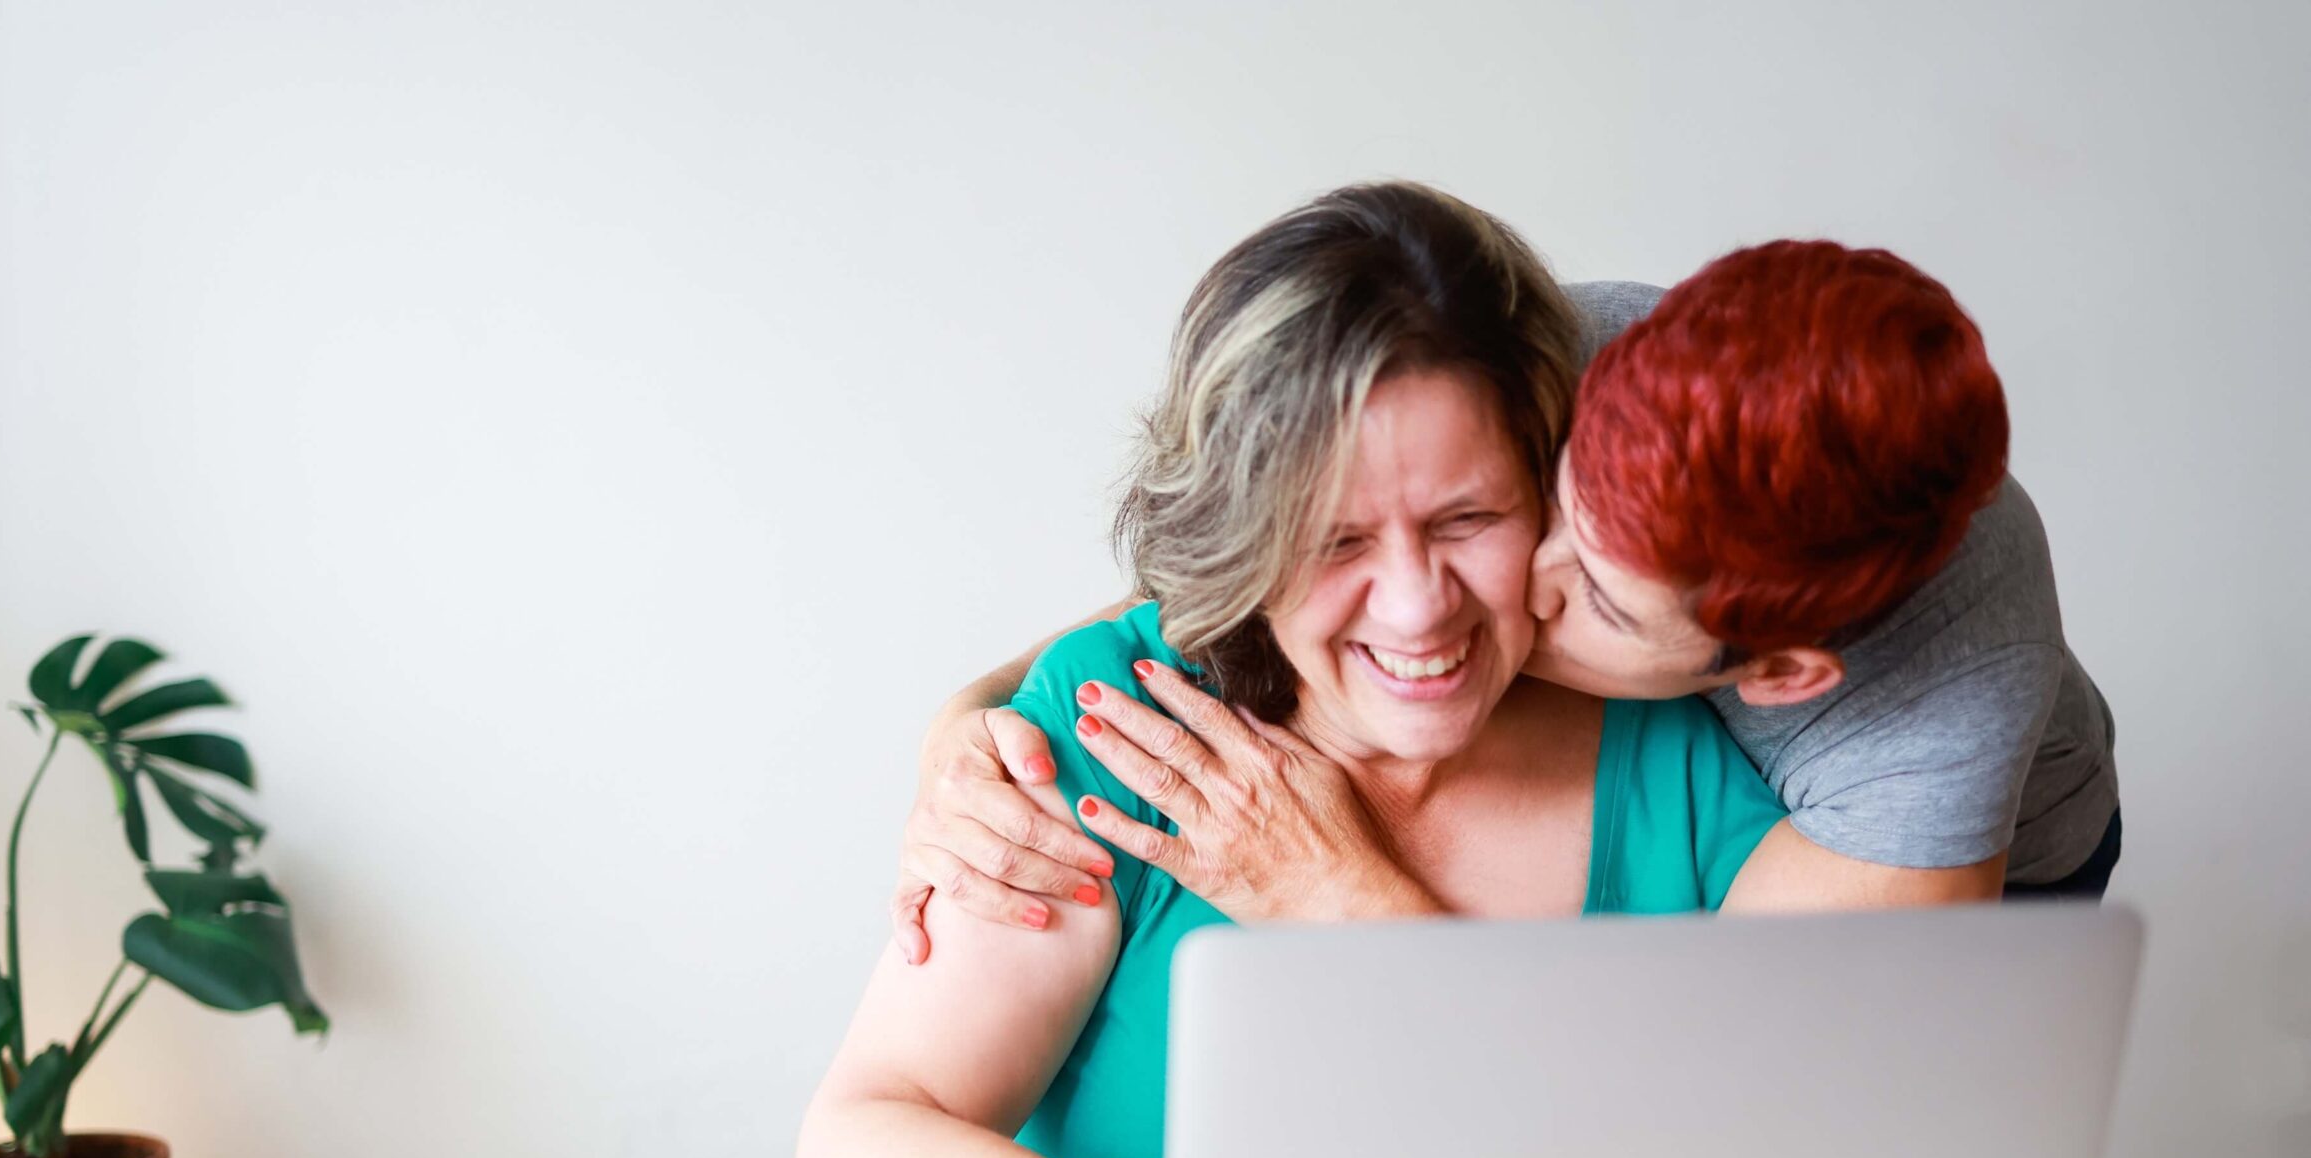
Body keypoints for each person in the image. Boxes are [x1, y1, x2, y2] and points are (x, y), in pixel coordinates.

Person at [800, 184, 1786, 1158]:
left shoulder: (1677, 753)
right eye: (1337, 539)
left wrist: (1349, 908)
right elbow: (862, 1146)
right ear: (1243, 541)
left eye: (1469, 518)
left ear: (1553, 491)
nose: (1418, 608)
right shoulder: (1122, 726)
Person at [891, 237, 2118, 960]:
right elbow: (1264, 560)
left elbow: (1693, 1111)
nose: (1470, 601)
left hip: (1966, 879)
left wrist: (1345, 903)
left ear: (1773, 671)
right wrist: (978, 711)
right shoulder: (1540, 357)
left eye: (1595, 603)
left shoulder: (1925, 746)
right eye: (1527, 509)